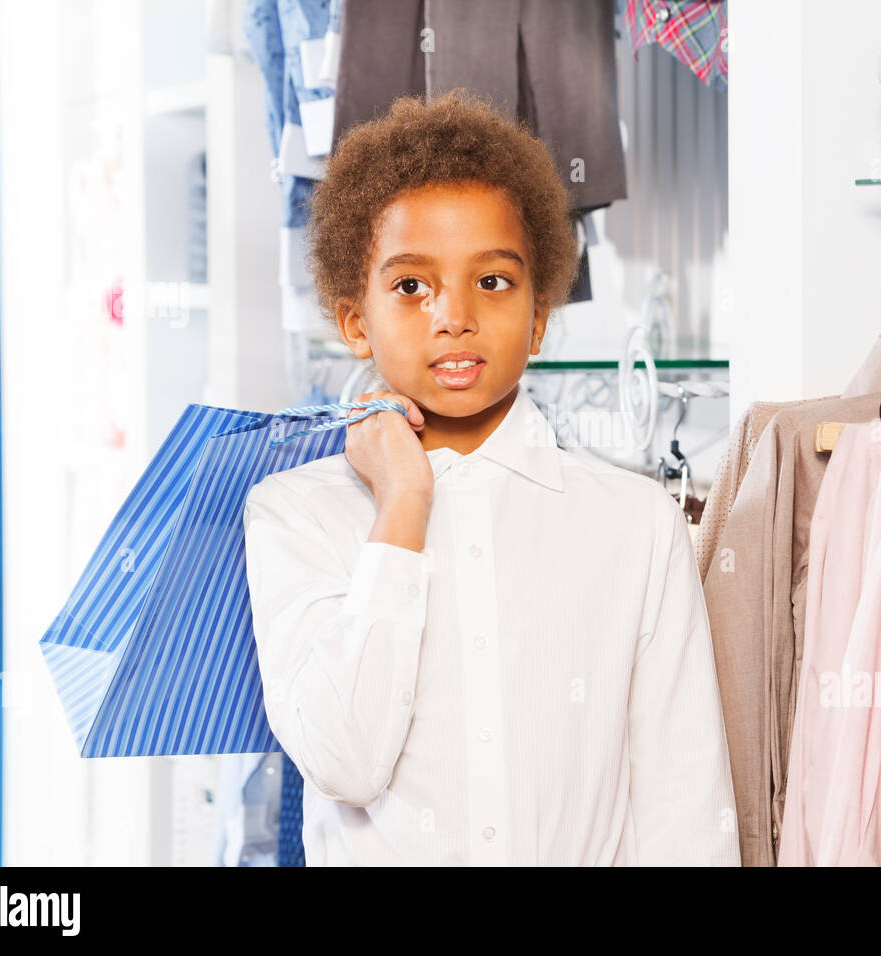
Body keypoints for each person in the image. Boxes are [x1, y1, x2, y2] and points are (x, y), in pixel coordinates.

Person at [242, 90, 739, 866]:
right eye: (411, 286)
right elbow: (345, 759)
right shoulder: (294, 515)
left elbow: (684, 808)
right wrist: (401, 506)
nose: (454, 316)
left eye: (494, 282)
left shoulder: (636, 524)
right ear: (353, 319)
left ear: (540, 314)